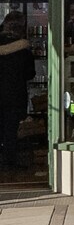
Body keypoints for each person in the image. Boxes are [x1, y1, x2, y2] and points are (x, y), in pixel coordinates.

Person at [0, 15, 31, 169]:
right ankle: (9, 161)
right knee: (11, 130)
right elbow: (30, 73)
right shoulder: (23, 49)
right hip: (15, 95)